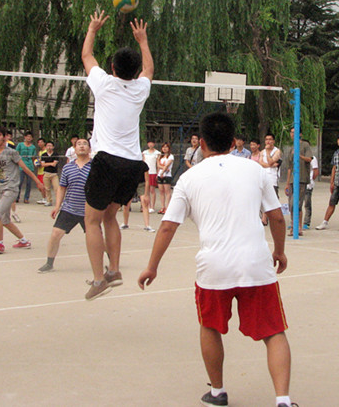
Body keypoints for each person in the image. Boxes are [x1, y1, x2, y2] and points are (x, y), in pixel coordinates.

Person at [138, 112, 296, 407]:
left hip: (214, 268)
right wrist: (279, 250)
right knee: (274, 331)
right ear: (234, 142)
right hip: (256, 264)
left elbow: (168, 226)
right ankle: (283, 400)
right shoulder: (255, 170)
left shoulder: (189, 178)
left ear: (202, 143)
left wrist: (152, 267)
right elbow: (276, 217)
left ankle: (217, 392)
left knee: (210, 326)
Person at [81, 9, 153, 300]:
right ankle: (114, 270)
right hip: (133, 164)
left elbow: (87, 56)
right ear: (135, 72)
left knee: (91, 221)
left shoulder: (104, 83)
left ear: (111, 67)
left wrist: (93, 29)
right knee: (110, 216)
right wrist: (143, 40)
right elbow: (149, 70)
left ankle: (99, 279)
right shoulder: (140, 89)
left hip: (108, 161)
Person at [0, 125, 45, 253]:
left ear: (4, 137)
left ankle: (0, 244)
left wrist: (38, 182)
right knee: (5, 220)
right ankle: (24, 241)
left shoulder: (11, 152)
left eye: (0, 135)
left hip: (11, 188)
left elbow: (24, 168)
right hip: (1, 188)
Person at [37, 138, 92, 273]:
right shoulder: (68, 168)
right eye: (79, 144)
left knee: (97, 239)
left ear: (89, 149)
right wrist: (57, 206)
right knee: (55, 234)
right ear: (74, 149)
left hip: (88, 210)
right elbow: (62, 188)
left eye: (85, 144)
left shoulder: (95, 167)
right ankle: (49, 263)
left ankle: (112, 261)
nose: (82, 146)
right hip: (69, 208)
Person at [315, 133, 339, 231]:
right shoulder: (336, 153)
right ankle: (325, 221)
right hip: (337, 182)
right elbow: (334, 168)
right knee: (332, 202)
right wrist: (331, 182)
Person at [285, 128, 312, 236]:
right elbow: (289, 167)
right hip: (292, 179)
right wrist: (287, 183)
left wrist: (299, 156)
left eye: (295, 132)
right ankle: (293, 225)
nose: (292, 134)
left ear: (300, 134)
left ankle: (298, 227)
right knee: (291, 204)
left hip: (302, 179)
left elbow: (309, 159)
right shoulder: (291, 148)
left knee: (297, 204)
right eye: (291, 132)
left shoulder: (305, 145)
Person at [120, 167, 154, 233]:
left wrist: (146, 194)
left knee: (144, 204)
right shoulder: (129, 164)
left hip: (141, 184)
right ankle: (125, 223)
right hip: (130, 184)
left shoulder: (143, 166)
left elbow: (147, 181)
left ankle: (147, 225)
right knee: (126, 205)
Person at [15, 131, 36, 204]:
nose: (29, 138)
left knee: (29, 183)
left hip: (30, 166)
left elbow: (33, 157)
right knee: (19, 182)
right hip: (21, 166)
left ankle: (26, 198)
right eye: (27, 136)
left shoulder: (33, 147)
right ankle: (17, 197)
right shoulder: (20, 145)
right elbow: (16, 154)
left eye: (30, 137)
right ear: (25, 137)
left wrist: (34, 164)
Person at [142, 140, 161, 213]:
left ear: (154, 144)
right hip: (146, 173)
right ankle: (147, 206)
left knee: (152, 190)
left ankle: (152, 206)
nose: (150, 144)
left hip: (153, 172)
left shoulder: (157, 153)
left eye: (152, 143)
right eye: (149, 143)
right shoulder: (144, 153)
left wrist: (158, 173)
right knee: (146, 190)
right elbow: (143, 162)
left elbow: (158, 164)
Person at [40, 141, 59, 206]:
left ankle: (59, 201)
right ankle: (49, 201)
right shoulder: (43, 155)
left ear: (53, 147)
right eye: (48, 146)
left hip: (54, 174)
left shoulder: (56, 154)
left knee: (56, 188)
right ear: (46, 147)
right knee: (47, 188)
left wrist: (47, 163)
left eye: (50, 146)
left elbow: (54, 164)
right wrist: (50, 163)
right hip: (46, 173)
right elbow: (43, 165)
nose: (49, 147)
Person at [157, 142, 174, 214]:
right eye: (163, 147)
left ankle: (168, 207)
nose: (164, 148)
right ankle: (162, 207)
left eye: (166, 147)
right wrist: (161, 170)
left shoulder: (171, 156)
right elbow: (158, 165)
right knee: (161, 191)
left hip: (167, 175)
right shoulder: (160, 156)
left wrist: (162, 172)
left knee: (167, 192)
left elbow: (167, 165)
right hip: (159, 175)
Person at [303, 153, 319, 230]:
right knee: (295, 203)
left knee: (307, 203)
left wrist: (311, 179)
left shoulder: (312, 158)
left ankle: (306, 222)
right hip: (299, 182)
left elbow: (316, 171)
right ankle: (294, 222)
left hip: (308, 184)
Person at [35, 138, 48, 205]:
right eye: (39, 142)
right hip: (39, 171)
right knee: (39, 186)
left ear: (44, 143)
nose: (40, 143)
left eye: (41, 142)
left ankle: (46, 198)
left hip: (44, 171)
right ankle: (44, 197)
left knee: (43, 186)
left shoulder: (46, 151)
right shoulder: (40, 152)